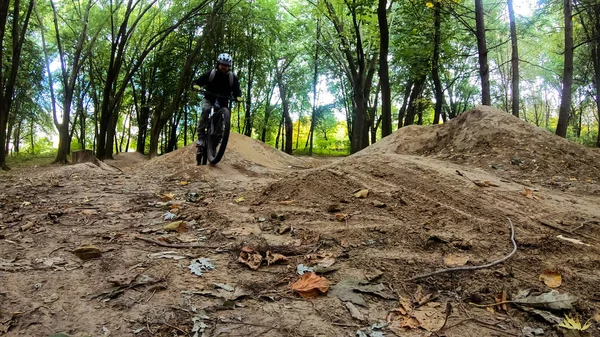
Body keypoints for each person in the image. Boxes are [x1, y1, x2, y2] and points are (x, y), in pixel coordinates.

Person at [192, 53, 242, 146]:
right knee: (206, 110)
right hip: (209, 98)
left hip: (223, 101)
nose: (224, 67)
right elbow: (199, 81)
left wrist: (238, 96)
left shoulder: (232, 77)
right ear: (218, 64)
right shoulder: (212, 73)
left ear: (229, 66)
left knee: (221, 119)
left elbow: (236, 90)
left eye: (226, 65)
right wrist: (196, 85)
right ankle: (201, 137)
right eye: (222, 64)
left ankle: (215, 142)